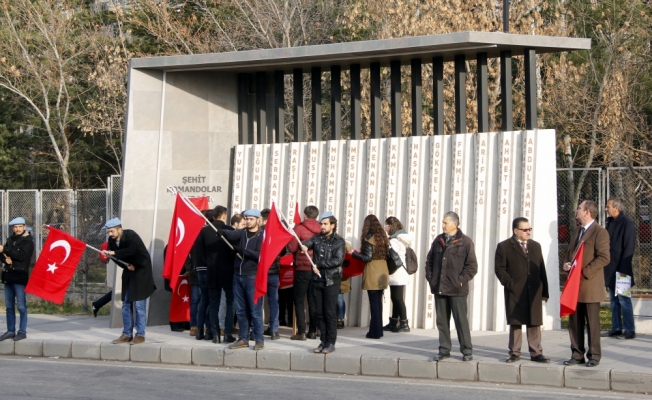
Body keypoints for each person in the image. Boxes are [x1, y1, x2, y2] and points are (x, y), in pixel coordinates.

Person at [494, 217, 550, 363]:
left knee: (534, 321)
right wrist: (511, 284)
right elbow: (500, 269)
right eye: (525, 230)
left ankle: (536, 352)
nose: (528, 232)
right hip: (515, 290)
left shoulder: (535, 246)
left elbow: (541, 268)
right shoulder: (504, 246)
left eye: (529, 229)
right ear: (515, 231)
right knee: (516, 322)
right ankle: (514, 352)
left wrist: (544, 291)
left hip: (533, 291)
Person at [563, 200, 610, 367]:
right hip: (574, 287)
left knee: (592, 323)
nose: (577, 210)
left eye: (579, 208)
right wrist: (567, 265)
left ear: (588, 212)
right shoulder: (577, 230)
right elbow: (570, 254)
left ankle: (594, 355)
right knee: (574, 321)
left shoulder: (600, 232)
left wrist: (584, 272)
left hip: (589, 285)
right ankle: (577, 354)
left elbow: (604, 257)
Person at [425, 211, 478, 361]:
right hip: (440, 288)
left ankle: (467, 350)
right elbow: (429, 262)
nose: (442, 225)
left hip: (457, 290)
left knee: (461, 321)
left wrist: (460, 280)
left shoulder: (465, 242)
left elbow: (472, 266)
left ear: (455, 224)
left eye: (445, 223)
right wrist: (431, 278)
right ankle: (444, 350)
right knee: (442, 321)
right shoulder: (438, 241)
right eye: (442, 222)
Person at [102, 218, 155, 345]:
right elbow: (116, 258)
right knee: (126, 304)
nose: (110, 234)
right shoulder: (112, 240)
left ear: (119, 229)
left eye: (112, 231)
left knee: (139, 306)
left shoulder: (131, 235)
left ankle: (140, 334)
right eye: (108, 232)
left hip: (142, 271)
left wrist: (113, 252)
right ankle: (127, 333)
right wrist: (125, 265)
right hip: (129, 271)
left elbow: (132, 251)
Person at [219, 209, 265, 350]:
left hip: (252, 276)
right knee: (240, 310)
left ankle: (259, 339)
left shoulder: (262, 236)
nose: (248, 221)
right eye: (246, 219)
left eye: (251, 219)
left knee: (255, 310)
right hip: (238, 275)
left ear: (258, 220)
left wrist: (243, 251)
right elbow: (232, 234)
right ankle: (243, 338)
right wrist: (221, 231)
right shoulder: (243, 232)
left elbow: (259, 255)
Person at [300, 211, 345, 354]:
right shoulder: (317, 238)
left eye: (325, 224)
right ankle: (323, 341)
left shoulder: (339, 241)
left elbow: (337, 260)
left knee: (329, 313)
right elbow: (309, 242)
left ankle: (331, 342)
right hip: (317, 280)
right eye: (321, 223)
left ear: (333, 225)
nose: (322, 226)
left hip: (331, 281)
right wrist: (305, 245)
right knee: (319, 313)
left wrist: (319, 264)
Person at [201, 206, 236, 343]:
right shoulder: (231, 230)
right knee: (229, 302)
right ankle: (227, 333)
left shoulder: (204, 231)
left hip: (211, 270)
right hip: (227, 270)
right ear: (224, 216)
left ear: (214, 216)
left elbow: (201, 252)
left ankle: (215, 334)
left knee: (213, 303)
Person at [603, 198, 636, 340]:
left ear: (616, 208)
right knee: (613, 301)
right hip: (610, 268)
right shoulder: (609, 222)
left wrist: (623, 270)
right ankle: (616, 327)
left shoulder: (627, 223)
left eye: (608, 206)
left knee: (624, 300)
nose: (606, 209)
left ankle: (629, 329)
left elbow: (629, 248)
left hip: (622, 269)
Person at [352, 214, 389, 340]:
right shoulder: (383, 238)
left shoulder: (369, 238)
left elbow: (367, 257)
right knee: (378, 302)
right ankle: (379, 330)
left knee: (374, 303)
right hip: (383, 271)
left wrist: (353, 254)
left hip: (373, 272)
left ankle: (374, 332)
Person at [287, 205, 321, 341]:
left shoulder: (299, 228)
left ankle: (301, 331)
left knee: (299, 300)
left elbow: (292, 247)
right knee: (313, 300)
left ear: (305, 215)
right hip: (316, 267)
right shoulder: (321, 229)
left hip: (302, 268)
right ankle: (313, 330)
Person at [0, 217, 35, 342]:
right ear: (12, 228)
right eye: (15, 227)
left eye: (20, 226)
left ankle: (22, 331)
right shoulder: (10, 240)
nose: (18, 229)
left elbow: (21, 256)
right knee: (9, 306)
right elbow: (2, 253)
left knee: (21, 306)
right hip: (8, 276)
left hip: (20, 277)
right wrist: (5, 259)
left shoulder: (28, 241)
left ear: (24, 227)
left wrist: (5, 250)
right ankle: (10, 331)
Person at [384, 216, 413, 333]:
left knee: (397, 298)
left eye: (386, 225)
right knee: (395, 298)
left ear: (391, 226)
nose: (385, 228)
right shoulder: (402, 239)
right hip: (401, 273)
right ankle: (394, 322)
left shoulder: (394, 240)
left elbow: (392, 256)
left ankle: (404, 323)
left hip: (397, 273)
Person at [191, 209, 216, 341]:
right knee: (210, 301)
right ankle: (208, 330)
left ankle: (199, 330)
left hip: (199, 269)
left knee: (203, 301)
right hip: (208, 269)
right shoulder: (208, 232)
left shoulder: (197, 232)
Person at [219, 214, 245, 336]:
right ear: (236, 224)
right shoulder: (229, 236)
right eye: (243, 224)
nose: (244, 227)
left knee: (233, 302)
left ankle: (230, 325)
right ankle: (222, 326)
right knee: (225, 301)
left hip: (235, 272)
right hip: (227, 272)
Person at [260, 208, 281, 340]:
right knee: (274, 302)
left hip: (262, 272)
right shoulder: (278, 233)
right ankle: (274, 330)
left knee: (257, 301)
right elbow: (284, 251)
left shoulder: (259, 232)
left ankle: (256, 329)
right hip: (274, 272)